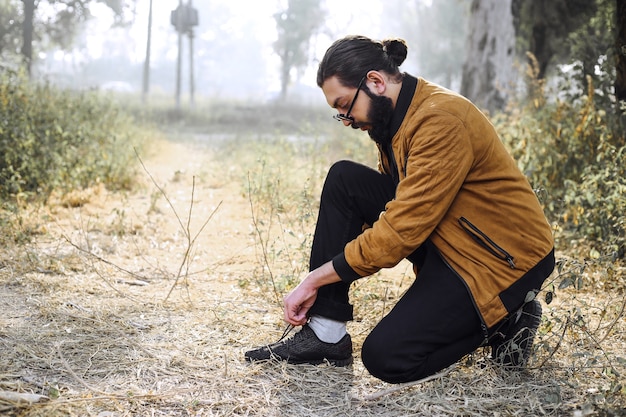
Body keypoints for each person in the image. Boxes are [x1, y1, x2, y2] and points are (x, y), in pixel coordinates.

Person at [245, 35, 555, 384]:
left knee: (387, 358)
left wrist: (315, 278)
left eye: (346, 105)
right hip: (451, 236)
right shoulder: (396, 118)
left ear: (376, 82)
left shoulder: (441, 119)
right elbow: (396, 210)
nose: (346, 119)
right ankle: (326, 334)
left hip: (500, 259)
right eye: (338, 113)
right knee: (344, 179)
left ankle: (508, 320)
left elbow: (400, 232)